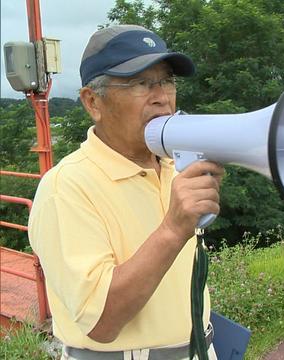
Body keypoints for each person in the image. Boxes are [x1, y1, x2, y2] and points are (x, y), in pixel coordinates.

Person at [28, 25, 223, 359]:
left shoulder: (173, 167)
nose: (162, 95)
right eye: (141, 83)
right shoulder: (66, 188)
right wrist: (173, 229)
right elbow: (102, 322)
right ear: (93, 102)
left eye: (167, 80)